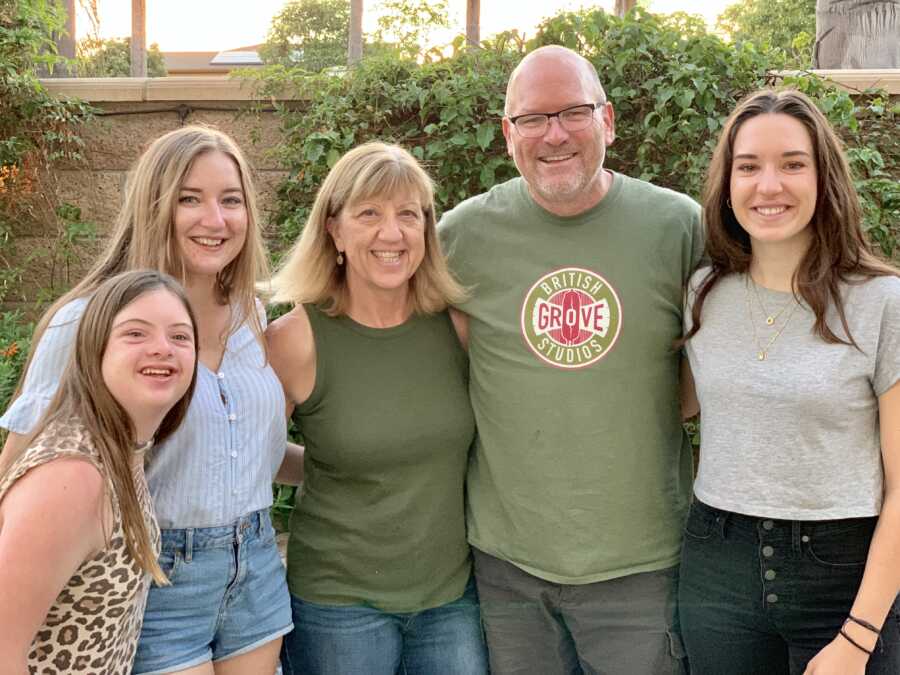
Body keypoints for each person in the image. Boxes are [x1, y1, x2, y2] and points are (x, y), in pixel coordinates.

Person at [437, 45, 703, 674]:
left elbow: (704, 377)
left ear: (607, 120)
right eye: (532, 119)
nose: (553, 134)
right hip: (509, 567)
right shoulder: (461, 237)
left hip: (641, 565)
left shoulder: (677, 227)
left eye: (573, 113)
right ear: (508, 135)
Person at [0, 126, 294, 674]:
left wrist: (361, 468)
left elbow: (248, 450)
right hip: (158, 571)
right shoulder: (89, 320)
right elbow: (22, 468)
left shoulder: (252, 315)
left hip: (255, 564)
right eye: (190, 199)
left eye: (231, 200)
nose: (216, 219)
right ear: (154, 206)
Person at [679, 89, 900, 674]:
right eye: (748, 167)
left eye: (792, 164)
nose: (768, 185)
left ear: (823, 177)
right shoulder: (702, 295)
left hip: (845, 574)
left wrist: (858, 640)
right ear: (728, 183)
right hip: (715, 569)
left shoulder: (882, 304)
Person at [265, 142, 488, 675]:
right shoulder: (295, 341)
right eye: (370, 214)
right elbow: (251, 454)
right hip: (336, 605)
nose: (392, 234)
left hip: (450, 599)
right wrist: (324, 463)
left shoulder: (458, 329)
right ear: (335, 230)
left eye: (408, 215)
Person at [0, 270, 198, 674]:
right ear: (95, 350)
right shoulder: (71, 476)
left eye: (180, 336)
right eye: (135, 334)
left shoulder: (121, 450)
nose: (163, 348)